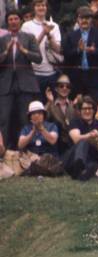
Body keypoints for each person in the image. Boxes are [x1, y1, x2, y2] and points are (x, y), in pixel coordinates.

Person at [0, 9, 42, 149]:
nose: (13, 21)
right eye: (10, 19)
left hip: (25, 84)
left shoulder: (29, 37)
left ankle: (25, 152)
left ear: (20, 21)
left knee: (24, 119)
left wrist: (24, 51)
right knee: (4, 119)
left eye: (15, 19)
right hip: (6, 85)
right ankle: (3, 153)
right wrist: (6, 52)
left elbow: (38, 58)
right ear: (7, 22)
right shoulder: (2, 40)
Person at [62, 6, 98, 104]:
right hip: (76, 79)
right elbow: (66, 55)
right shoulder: (71, 35)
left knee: (95, 106)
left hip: (95, 78)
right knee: (76, 108)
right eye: (81, 18)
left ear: (91, 19)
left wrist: (93, 51)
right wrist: (78, 50)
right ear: (77, 20)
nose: (84, 20)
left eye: (87, 18)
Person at [63, 95, 98, 180]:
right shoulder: (74, 122)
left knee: (93, 165)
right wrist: (90, 135)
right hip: (72, 158)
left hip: (91, 158)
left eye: (90, 108)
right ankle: (79, 164)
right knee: (83, 141)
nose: (87, 111)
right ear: (80, 111)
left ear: (94, 110)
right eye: (84, 109)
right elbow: (76, 139)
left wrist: (95, 144)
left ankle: (79, 174)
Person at [19, 0, 60, 96]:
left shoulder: (54, 25)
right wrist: (43, 33)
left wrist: (49, 35)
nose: (41, 8)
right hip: (34, 73)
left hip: (52, 72)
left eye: (43, 5)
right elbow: (28, 51)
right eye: (38, 5)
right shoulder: (26, 26)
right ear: (34, 8)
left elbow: (58, 49)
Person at [45, 74, 79, 155]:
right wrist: (49, 102)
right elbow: (42, 119)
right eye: (61, 86)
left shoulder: (73, 104)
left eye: (67, 87)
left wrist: (77, 108)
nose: (64, 88)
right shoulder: (51, 104)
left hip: (71, 142)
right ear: (56, 89)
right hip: (56, 143)